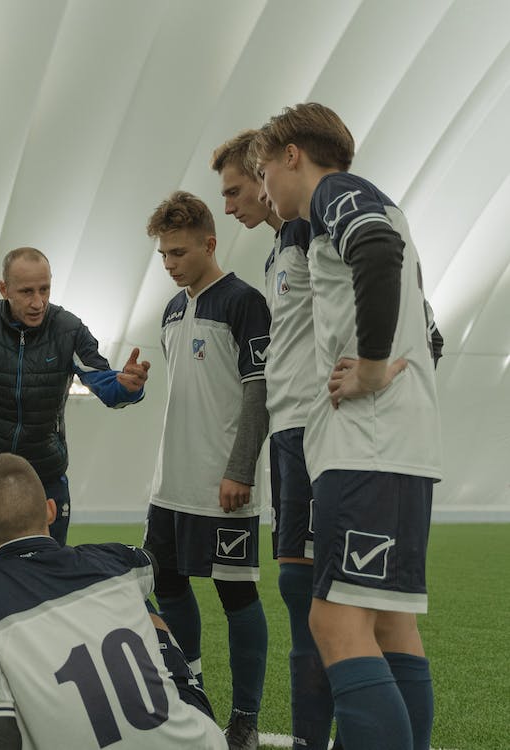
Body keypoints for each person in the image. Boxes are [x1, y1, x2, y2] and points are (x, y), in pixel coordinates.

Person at [251, 103, 440, 750]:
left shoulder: (339, 193)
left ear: (292, 155)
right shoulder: (376, 205)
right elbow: (430, 331)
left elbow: (376, 250)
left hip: (368, 448)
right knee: (388, 627)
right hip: (397, 446)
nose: (264, 187)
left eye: (262, 169)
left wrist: (372, 366)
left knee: (334, 625)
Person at [0, 246, 150, 720]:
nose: (37, 301)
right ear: (4, 291)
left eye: (44, 289)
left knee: (49, 579)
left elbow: (105, 385)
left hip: (44, 477)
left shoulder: (68, 328)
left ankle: (42, 688)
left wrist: (129, 387)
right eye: (26, 291)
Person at [0, 453, 227, 750]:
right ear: (51, 511)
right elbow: (151, 565)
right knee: (140, 600)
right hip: (196, 742)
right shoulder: (116, 560)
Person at [213, 132, 331, 749]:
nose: (233, 204)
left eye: (237, 188)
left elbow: (418, 326)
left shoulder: (318, 228)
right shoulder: (280, 247)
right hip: (290, 438)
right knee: (297, 591)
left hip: (318, 436)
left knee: (331, 603)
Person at [143, 191, 271, 750]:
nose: (169, 264)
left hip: (224, 484)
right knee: (167, 587)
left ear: (209, 244)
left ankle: (244, 717)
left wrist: (240, 469)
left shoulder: (245, 302)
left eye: (178, 253)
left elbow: (259, 391)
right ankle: (191, 694)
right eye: (163, 255)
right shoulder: (171, 310)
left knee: (235, 596)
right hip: (168, 485)